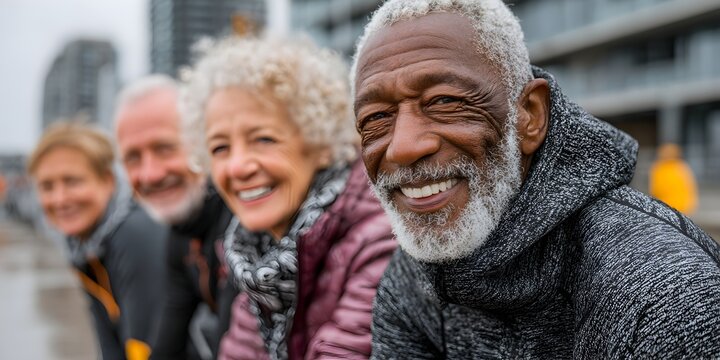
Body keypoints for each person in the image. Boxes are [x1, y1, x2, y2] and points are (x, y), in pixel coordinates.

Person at [351, 0, 720, 358]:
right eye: (376, 119)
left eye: (445, 101)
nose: (402, 147)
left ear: (529, 115)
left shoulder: (661, 296)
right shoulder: (412, 276)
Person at [180, 35, 397, 359]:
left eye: (263, 139)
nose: (238, 166)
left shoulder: (379, 238)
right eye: (220, 148)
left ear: (321, 143)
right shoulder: (258, 259)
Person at [114, 75, 235, 360]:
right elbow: (168, 342)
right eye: (133, 157)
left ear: (204, 139)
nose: (150, 174)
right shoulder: (182, 231)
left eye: (165, 148)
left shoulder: (242, 220)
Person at [28, 122, 166, 360]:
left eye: (72, 181)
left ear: (108, 180)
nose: (59, 199)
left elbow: (147, 348)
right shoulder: (85, 246)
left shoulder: (135, 233)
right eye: (47, 186)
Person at [649, 143, 698, 215]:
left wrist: (690, 203)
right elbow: (654, 187)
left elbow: (689, 186)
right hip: (662, 205)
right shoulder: (658, 167)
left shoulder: (680, 166)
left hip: (680, 206)